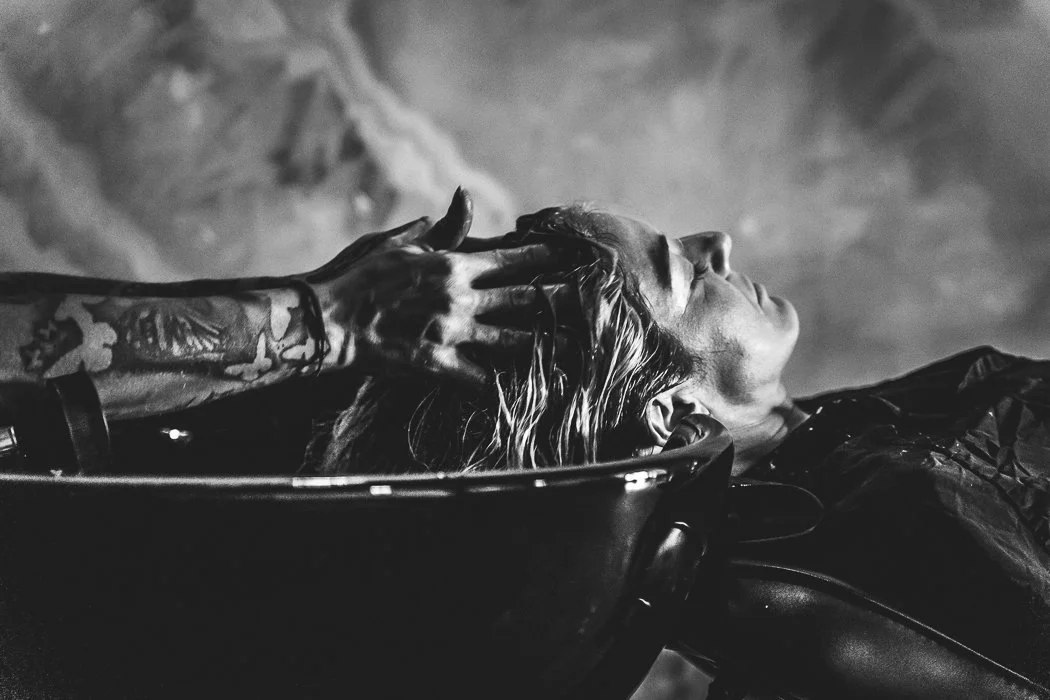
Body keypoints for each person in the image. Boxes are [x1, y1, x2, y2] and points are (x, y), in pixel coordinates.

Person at [313, 199, 1050, 689]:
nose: (717, 245)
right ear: (667, 412)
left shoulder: (831, 441)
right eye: (688, 275)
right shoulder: (836, 564)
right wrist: (322, 319)